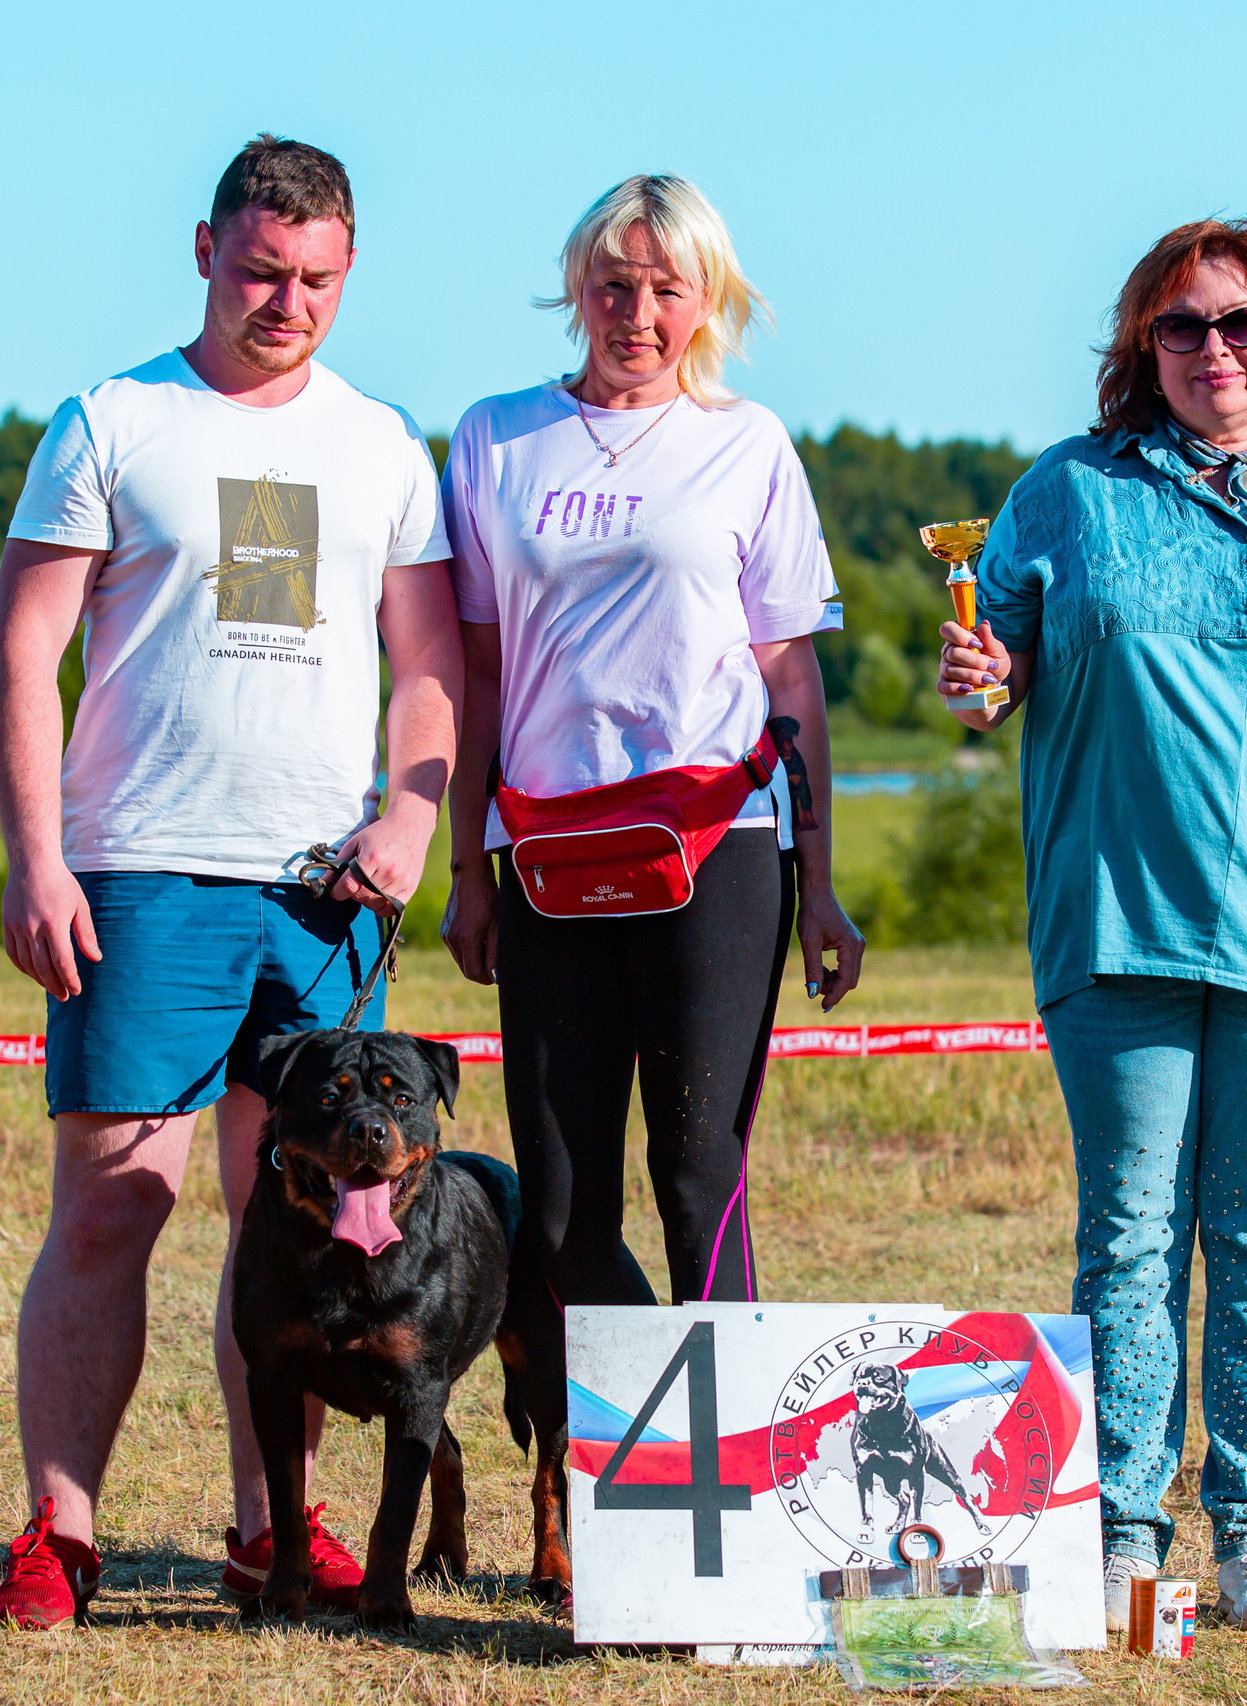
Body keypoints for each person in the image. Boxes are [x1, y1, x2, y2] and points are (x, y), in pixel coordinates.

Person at [935, 219, 1247, 1636]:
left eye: (1243, 324)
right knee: (1131, 1241)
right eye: (1182, 327)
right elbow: (994, 683)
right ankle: (1118, 1539)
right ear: (1138, 350)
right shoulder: (1068, 496)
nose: (1214, 349)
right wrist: (976, 676)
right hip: (1119, 925)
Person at [0, 134, 461, 1629]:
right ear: (204, 248)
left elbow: (432, 662)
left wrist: (412, 819)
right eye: (260, 270)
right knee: (118, 1203)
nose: (286, 301)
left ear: (350, 270)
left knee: (316, 1216)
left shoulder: (385, 443)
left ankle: (275, 1528)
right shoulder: (113, 420)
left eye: (315, 278)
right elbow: (23, 649)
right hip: (138, 879)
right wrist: (38, 852)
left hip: (323, 897)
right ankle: (61, 1534)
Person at [438, 174, 863, 1319]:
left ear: (707, 299)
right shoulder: (494, 438)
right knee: (566, 1214)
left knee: (697, 1179)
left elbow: (789, 673)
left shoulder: (748, 444)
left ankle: (727, 1473)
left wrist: (818, 884)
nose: (637, 312)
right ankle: (642, 1468)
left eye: (666, 287)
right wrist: (464, 868)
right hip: (546, 852)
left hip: (717, 845)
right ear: (576, 291)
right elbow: (476, 670)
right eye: (613, 284)